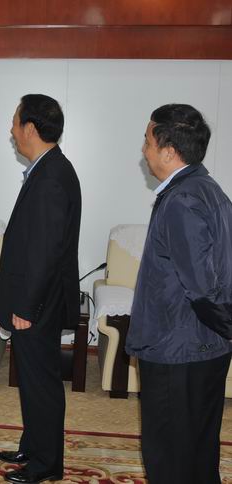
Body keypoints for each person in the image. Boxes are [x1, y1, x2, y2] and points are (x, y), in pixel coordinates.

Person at [126, 104, 232, 484]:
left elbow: (203, 289)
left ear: (169, 151)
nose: (144, 150)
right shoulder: (207, 189)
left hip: (178, 350)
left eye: (147, 141)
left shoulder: (182, 200)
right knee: (197, 451)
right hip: (204, 347)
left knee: (170, 457)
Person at [0, 94, 81, 484]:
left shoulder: (50, 177)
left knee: (41, 383)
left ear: (30, 128)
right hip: (38, 299)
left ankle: (46, 464)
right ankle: (33, 445)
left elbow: (45, 251)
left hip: (38, 303)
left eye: (15, 122)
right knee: (31, 379)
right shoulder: (48, 169)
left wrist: (26, 307)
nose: (12, 130)